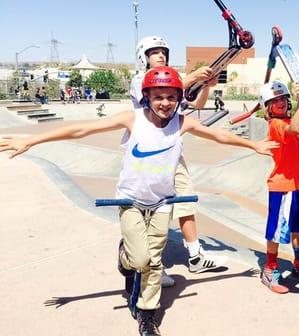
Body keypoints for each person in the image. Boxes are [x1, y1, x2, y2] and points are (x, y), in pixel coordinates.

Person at [0, 67, 276, 336]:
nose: (165, 103)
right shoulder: (132, 119)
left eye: (171, 97)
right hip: (130, 201)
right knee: (139, 258)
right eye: (158, 96)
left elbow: (220, 136)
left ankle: (147, 316)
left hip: (163, 203)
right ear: (147, 97)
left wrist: (254, 145)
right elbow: (81, 130)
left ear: (179, 98)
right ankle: (125, 257)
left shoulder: (182, 122)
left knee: (153, 262)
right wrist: (34, 140)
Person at [133, 36, 228, 287]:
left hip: (174, 154)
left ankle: (196, 255)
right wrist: (195, 75)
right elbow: (170, 86)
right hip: (147, 158)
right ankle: (153, 265)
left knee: (186, 200)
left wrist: (206, 84)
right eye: (154, 52)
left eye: (163, 51)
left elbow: (197, 104)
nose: (160, 56)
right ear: (143, 57)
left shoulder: (175, 80)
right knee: (151, 210)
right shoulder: (138, 81)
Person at [258, 80, 299, 294]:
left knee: (297, 227)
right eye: (274, 101)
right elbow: (296, 129)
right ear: (267, 107)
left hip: (295, 186)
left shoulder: (287, 119)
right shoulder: (277, 125)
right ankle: (270, 269)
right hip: (282, 187)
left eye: (282, 99)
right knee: (276, 231)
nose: (280, 103)